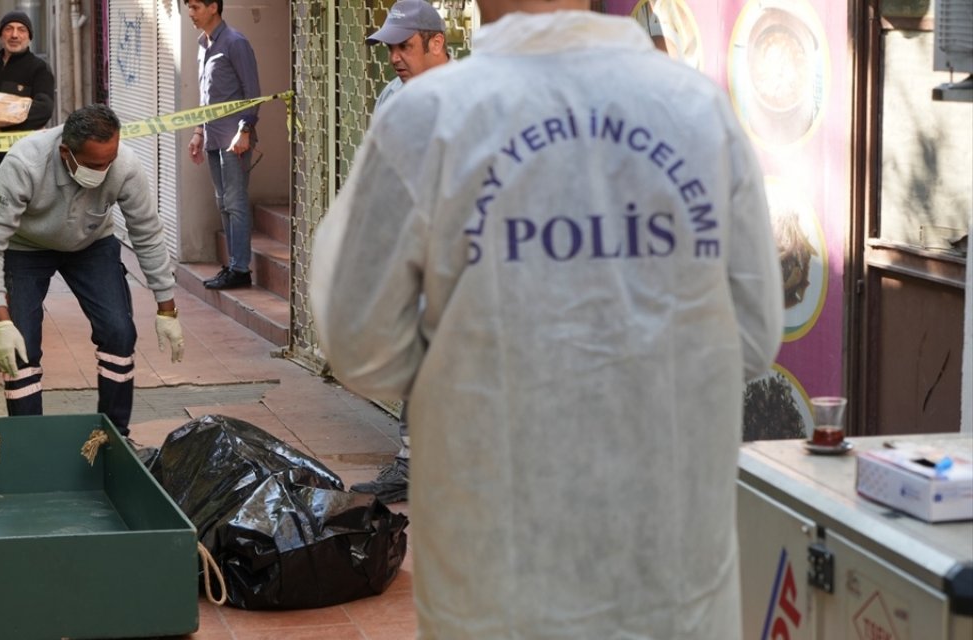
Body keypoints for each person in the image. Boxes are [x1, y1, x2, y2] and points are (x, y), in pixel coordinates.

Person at [309, 0, 784, 637]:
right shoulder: (698, 111)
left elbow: (359, 339)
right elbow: (753, 335)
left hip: (498, 576)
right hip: (671, 577)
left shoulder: (429, 118)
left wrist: (483, 355)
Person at [0, 104, 184, 449]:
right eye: (95, 165)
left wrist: (167, 308)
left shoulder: (124, 166)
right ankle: (28, 442)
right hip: (25, 247)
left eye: (110, 161)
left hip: (92, 244)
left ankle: (114, 435)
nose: (105, 171)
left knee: (119, 332)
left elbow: (147, 232)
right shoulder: (25, 164)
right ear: (65, 153)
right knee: (21, 346)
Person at [349, 0, 452, 505]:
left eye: (404, 46)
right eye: (390, 48)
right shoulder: (391, 97)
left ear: (436, 42)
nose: (394, 57)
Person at [185, 0, 261, 290]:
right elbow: (207, 97)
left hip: (234, 140)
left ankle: (241, 269)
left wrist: (245, 130)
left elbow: (252, 92)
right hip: (213, 137)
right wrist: (198, 132)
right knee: (223, 203)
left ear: (213, 7)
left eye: (194, 7)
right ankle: (232, 265)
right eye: (188, 8)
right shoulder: (202, 44)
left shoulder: (235, 42)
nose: (191, 14)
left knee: (236, 202)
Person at [0, 10, 55, 191]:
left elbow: (43, 110)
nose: (15, 35)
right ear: (1, 35)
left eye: (21, 30)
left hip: (23, 159)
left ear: (29, 36)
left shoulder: (39, 69)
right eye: (9, 29)